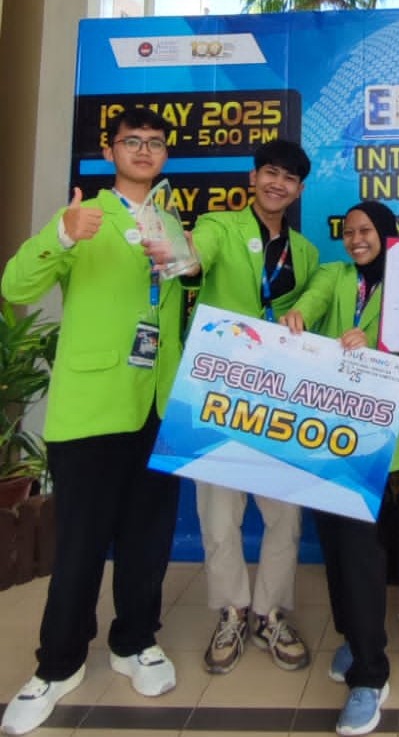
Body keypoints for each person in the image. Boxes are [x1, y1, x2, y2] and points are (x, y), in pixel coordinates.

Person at [0, 108, 184, 736]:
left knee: (147, 540)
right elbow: (16, 284)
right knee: (79, 545)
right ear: (111, 151)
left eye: (155, 142)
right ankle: (58, 664)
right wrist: (63, 234)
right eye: (132, 141)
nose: (144, 150)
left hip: (158, 406)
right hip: (92, 408)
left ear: (165, 154)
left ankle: (136, 642)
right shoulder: (84, 216)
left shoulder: (171, 221)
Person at [189, 138, 317, 676]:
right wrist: (182, 256)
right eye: (270, 172)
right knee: (220, 514)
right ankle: (232, 610)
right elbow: (194, 259)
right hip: (220, 388)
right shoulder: (218, 226)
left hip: (277, 395)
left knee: (284, 514)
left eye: (289, 178)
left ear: (299, 190)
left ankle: (269, 613)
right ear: (253, 177)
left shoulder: (305, 253)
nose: (277, 184)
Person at [282, 201, 398, 736]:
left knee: (360, 554)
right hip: (325, 435)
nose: (356, 239)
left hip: (375, 440)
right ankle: (353, 636)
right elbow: (312, 300)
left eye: (366, 230)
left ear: (385, 232)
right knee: (333, 546)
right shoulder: (334, 274)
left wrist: (376, 344)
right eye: (349, 232)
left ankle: (371, 676)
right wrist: (299, 318)